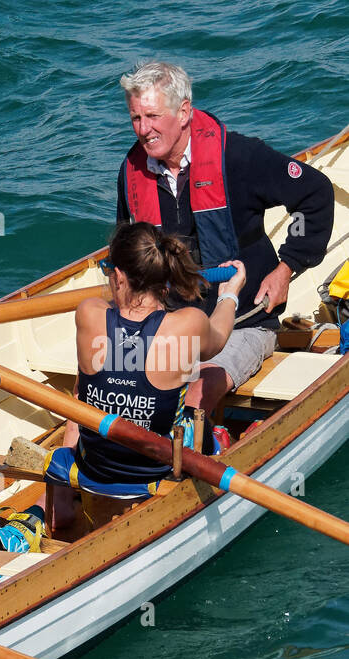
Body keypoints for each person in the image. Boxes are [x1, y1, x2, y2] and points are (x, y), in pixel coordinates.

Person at [117, 60, 333, 415]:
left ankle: (193, 449)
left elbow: (315, 194)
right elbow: (128, 256)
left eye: (153, 116)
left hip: (243, 323)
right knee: (102, 378)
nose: (144, 130)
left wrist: (286, 268)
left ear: (184, 111)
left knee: (197, 393)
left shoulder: (239, 158)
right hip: (170, 324)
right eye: (136, 119)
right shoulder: (130, 172)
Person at [50, 222, 246, 528]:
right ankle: (222, 442)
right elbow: (219, 336)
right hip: (157, 470)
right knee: (200, 419)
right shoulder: (188, 324)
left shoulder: (87, 312)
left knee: (82, 392)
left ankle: (62, 499)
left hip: (95, 467)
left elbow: (87, 381)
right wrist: (229, 294)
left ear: (118, 277)